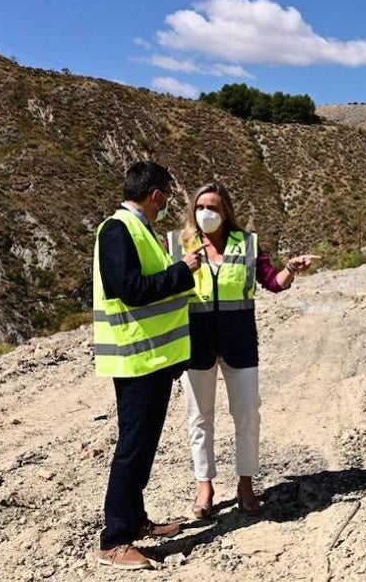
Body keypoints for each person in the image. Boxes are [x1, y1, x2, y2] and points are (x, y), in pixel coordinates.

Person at [168, 182, 318, 520]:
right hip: (195, 344)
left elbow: (272, 282)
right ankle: (204, 485)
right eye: (201, 206)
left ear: (226, 211)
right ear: (194, 210)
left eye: (214, 207)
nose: (207, 213)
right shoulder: (180, 245)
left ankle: (246, 483)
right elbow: (167, 289)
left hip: (240, 343)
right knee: (199, 417)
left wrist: (291, 269)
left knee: (248, 413)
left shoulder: (247, 243)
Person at [92, 161, 208, 571]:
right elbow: (130, 290)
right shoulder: (117, 229)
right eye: (167, 196)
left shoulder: (141, 231)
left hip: (154, 359)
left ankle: (135, 520)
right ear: (156, 195)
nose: (167, 204)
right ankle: (115, 540)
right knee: (133, 448)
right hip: (136, 360)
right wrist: (182, 272)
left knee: (142, 449)